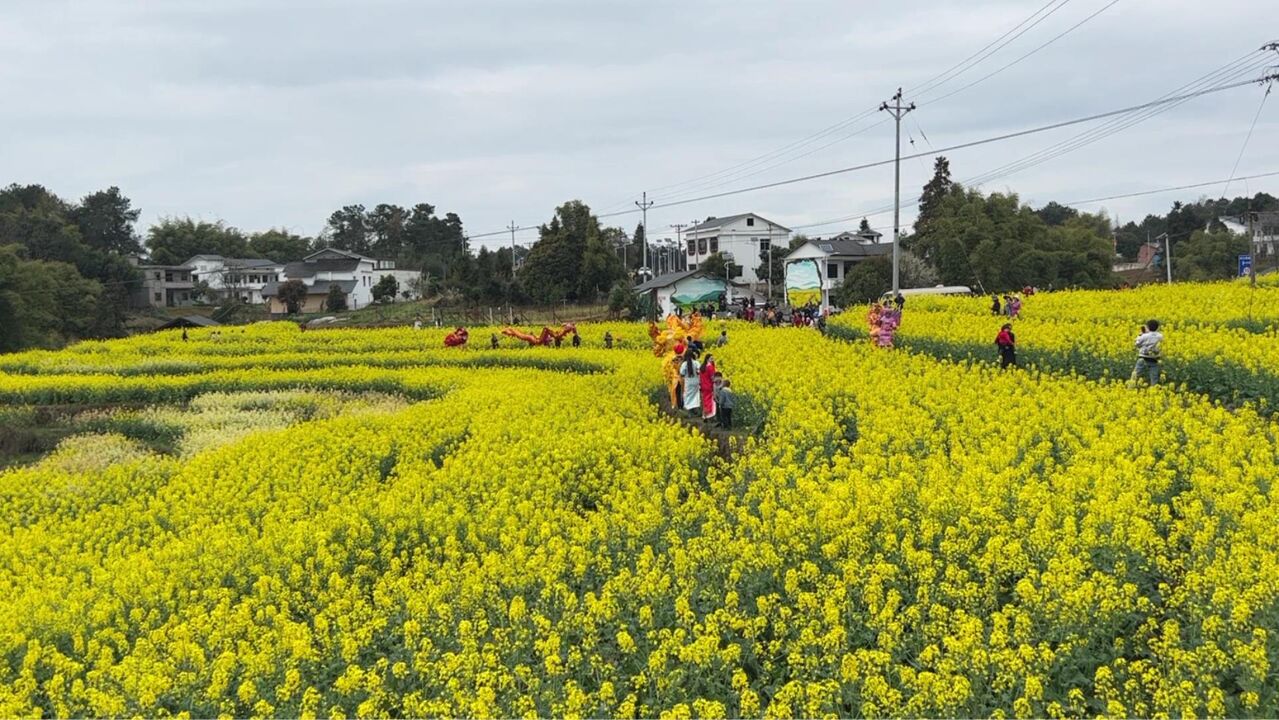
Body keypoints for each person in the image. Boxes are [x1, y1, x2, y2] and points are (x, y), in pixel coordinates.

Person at [1133, 320, 1163, 386]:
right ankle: (1154, 389)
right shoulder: (1160, 336)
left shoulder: (1144, 336)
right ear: (1157, 328)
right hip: (1154, 359)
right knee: (1154, 376)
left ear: (1147, 327)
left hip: (1143, 358)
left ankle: (1131, 387)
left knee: (1136, 374)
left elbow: (1137, 344)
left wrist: (1140, 335)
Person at [680, 351, 701, 415]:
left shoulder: (684, 364)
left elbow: (682, 373)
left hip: (688, 381)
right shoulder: (696, 362)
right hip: (696, 380)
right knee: (695, 396)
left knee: (688, 396)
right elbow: (699, 371)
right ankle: (695, 410)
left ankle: (689, 411)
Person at [699, 353, 718, 422]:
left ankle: (704, 415)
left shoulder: (702, 367)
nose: (713, 360)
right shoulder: (710, 367)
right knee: (710, 402)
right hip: (709, 387)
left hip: (703, 386)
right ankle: (709, 416)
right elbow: (712, 378)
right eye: (711, 359)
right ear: (707, 359)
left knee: (705, 402)